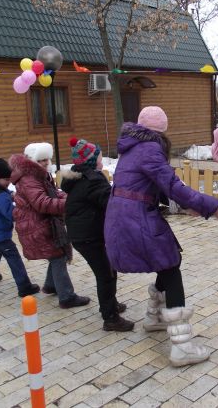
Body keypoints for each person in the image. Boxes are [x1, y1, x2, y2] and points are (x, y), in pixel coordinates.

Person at [104, 106, 218, 367]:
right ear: (161, 131)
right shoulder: (150, 148)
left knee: (168, 260)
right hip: (135, 218)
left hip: (125, 215)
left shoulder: (132, 146)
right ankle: (182, 347)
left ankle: (154, 317)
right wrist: (215, 208)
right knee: (171, 267)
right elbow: (173, 185)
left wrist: (189, 205)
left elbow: (150, 184)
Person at [61, 138, 134, 331]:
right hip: (88, 235)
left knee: (109, 269)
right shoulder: (93, 180)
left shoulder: (78, 177)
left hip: (83, 233)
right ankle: (110, 318)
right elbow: (111, 202)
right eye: (99, 157)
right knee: (106, 275)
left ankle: (110, 305)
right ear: (91, 161)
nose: (102, 161)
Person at [9, 143, 90, 309]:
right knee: (58, 255)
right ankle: (67, 297)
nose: (46, 162)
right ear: (32, 161)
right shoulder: (29, 178)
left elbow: (51, 194)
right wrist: (70, 203)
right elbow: (42, 203)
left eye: (47, 159)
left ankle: (51, 285)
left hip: (42, 222)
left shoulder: (37, 174)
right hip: (38, 224)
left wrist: (68, 196)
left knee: (55, 254)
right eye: (41, 160)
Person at [0, 158, 40, 297]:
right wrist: (25, 210)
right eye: (6, 180)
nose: (8, 183)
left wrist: (10, 195)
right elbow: (12, 214)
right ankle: (25, 287)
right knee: (13, 256)